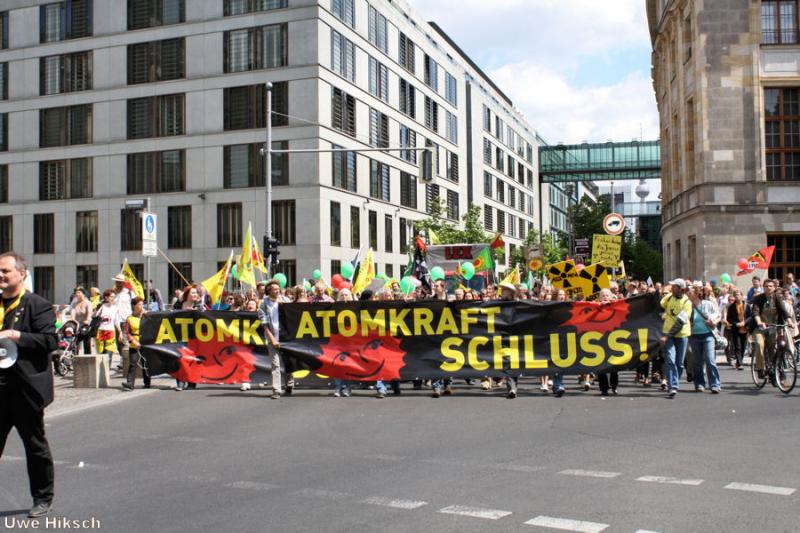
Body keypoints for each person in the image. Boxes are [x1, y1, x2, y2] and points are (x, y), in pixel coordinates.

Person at [0, 252, 58, 518]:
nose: (0, 276)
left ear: (21, 274)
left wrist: (17, 335)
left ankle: (42, 497)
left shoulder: (38, 305)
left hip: (25, 389)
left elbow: (49, 341)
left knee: (35, 446)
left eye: (5, 271)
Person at [751, 279, 792, 380]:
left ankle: (773, 369)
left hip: (772, 327)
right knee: (760, 344)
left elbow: (783, 310)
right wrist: (759, 322)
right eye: (766, 286)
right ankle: (760, 369)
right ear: (763, 287)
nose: (768, 288)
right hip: (759, 328)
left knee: (772, 349)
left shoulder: (777, 298)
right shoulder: (758, 298)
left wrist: (790, 322)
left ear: (774, 288)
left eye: (770, 286)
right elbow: (755, 312)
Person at [259, 280, 293, 399]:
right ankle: (276, 390)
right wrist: (272, 339)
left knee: (288, 363)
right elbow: (265, 324)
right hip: (273, 338)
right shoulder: (264, 303)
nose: (277, 291)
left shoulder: (286, 301)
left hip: (286, 338)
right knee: (275, 364)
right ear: (269, 291)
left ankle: (289, 385)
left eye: (278, 288)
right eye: (274, 289)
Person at [660, 279, 692, 398]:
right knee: (670, 360)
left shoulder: (687, 302)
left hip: (681, 334)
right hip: (668, 334)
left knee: (679, 363)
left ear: (681, 289)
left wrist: (666, 336)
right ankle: (673, 386)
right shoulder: (668, 298)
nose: (671, 288)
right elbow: (658, 305)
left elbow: (680, 322)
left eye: (674, 287)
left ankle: (674, 382)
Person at [688, 284, 722, 393]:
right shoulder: (688, 306)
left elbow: (718, 315)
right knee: (697, 361)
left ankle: (715, 384)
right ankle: (699, 384)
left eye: (690, 292)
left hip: (708, 335)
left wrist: (714, 322)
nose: (688, 293)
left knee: (710, 359)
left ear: (697, 294)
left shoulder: (707, 304)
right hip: (694, 336)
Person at [122, 297, 150, 390]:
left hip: (144, 342)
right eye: (139, 304)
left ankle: (147, 382)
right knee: (133, 363)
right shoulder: (129, 318)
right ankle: (130, 383)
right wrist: (133, 341)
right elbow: (127, 332)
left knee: (145, 363)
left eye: (142, 304)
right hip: (134, 343)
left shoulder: (145, 316)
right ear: (134, 306)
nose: (141, 306)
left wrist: (145, 315)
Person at [595, 288, 619, 396]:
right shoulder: (594, 308)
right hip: (599, 338)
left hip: (613, 338)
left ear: (610, 296)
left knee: (614, 363)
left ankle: (614, 385)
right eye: (603, 295)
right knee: (601, 364)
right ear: (599, 298)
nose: (605, 297)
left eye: (607, 295)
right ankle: (604, 388)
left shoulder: (616, 308)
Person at [112, 274, 133, 375]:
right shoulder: (112, 293)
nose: (118, 283)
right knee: (117, 342)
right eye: (117, 281)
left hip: (125, 319)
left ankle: (125, 362)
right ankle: (122, 358)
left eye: (120, 282)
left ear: (124, 283)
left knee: (124, 341)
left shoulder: (129, 293)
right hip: (114, 320)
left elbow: (135, 304)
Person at [95, 290, 122, 367]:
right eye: (111, 296)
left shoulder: (115, 308)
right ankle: (100, 369)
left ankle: (107, 368)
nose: (113, 298)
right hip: (101, 330)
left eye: (114, 296)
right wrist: (97, 309)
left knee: (109, 350)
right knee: (101, 351)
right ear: (106, 297)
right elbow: (94, 316)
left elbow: (117, 321)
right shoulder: (102, 306)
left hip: (110, 331)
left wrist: (120, 332)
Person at [724, 291, 747, 370]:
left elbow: (751, 316)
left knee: (743, 346)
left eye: (738, 295)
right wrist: (736, 323)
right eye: (735, 295)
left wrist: (745, 322)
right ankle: (740, 363)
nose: (737, 297)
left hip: (745, 328)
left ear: (742, 296)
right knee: (738, 346)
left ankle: (739, 360)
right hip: (736, 328)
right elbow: (729, 318)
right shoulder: (731, 307)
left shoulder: (746, 305)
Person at [69, 287, 93, 354]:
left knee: (87, 342)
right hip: (77, 324)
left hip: (85, 324)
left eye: (79, 292)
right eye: (76, 293)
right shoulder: (74, 303)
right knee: (74, 341)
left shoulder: (87, 302)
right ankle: (74, 356)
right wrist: (72, 320)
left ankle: (87, 357)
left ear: (83, 294)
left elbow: (89, 313)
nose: (77, 294)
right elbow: (72, 313)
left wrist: (87, 320)